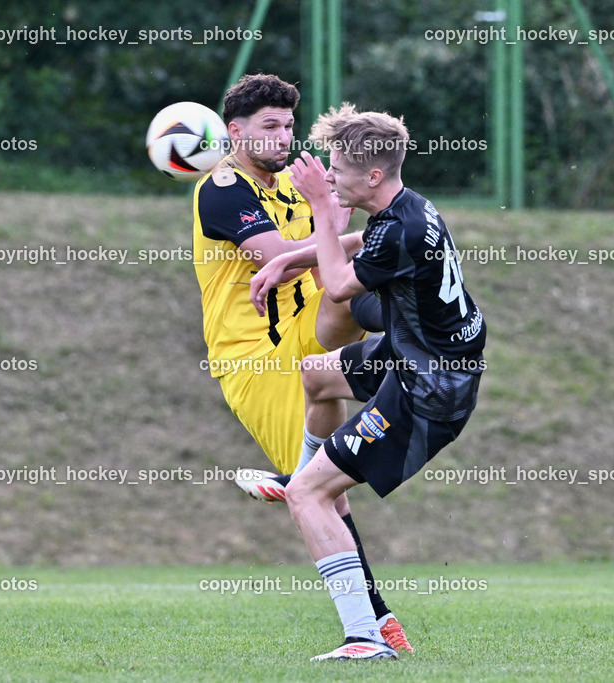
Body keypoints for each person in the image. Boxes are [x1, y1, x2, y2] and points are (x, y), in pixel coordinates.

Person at [250, 104, 486, 661]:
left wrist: (317, 211)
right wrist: (289, 260)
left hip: (428, 388)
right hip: (421, 354)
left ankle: (363, 637)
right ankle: (307, 471)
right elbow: (359, 250)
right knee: (317, 375)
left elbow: (336, 286)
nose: (329, 176)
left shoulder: (400, 225)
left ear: (372, 175)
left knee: (310, 497)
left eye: (337, 168)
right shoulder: (408, 209)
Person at [192, 75, 412, 654]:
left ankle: (421, 341)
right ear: (234, 133)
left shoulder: (296, 183)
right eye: (271, 126)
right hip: (257, 358)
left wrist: (386, 234)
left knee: (364, 282)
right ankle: (377, 625)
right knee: (326, 493)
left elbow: (336, 253)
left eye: (290, 125)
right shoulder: (222, 189)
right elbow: (279, 262)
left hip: (306, 334)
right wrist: (328, 217)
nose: (285, 136)